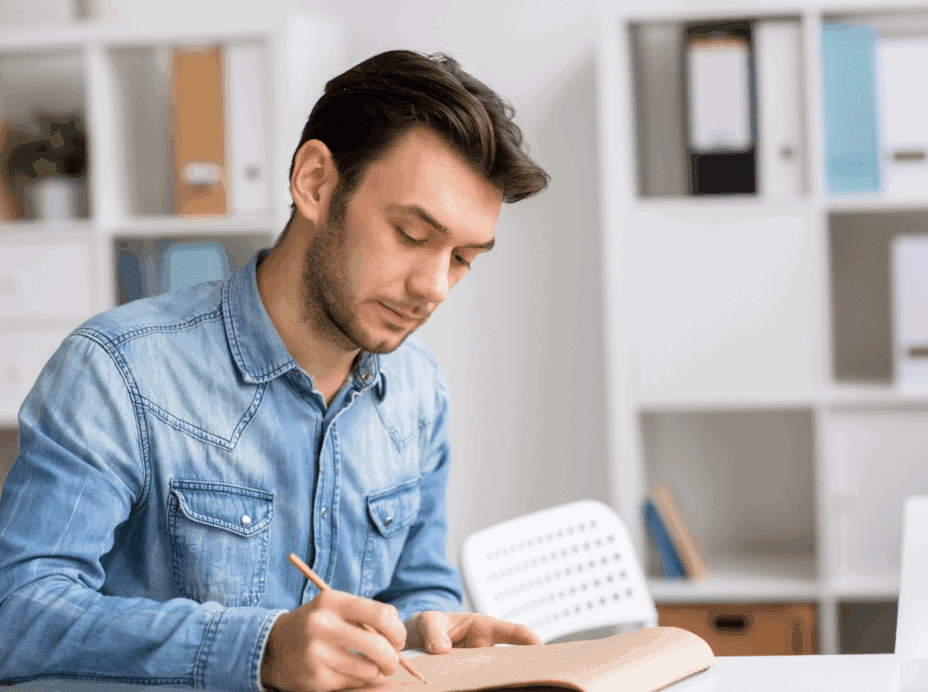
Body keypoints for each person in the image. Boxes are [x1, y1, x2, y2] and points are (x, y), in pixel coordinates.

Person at [0, 50, 550, 692]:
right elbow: (17, 614)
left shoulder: (418, 390)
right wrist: (261, 650)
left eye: (462, 258)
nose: (434, 288)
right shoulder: (119, 371)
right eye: (410, 234)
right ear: (315, 182)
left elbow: (416, 583)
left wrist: (434, 629)